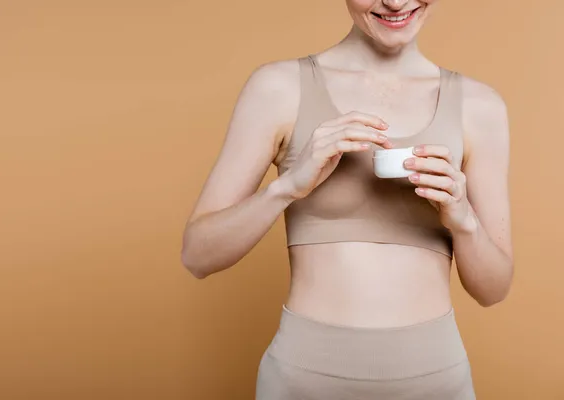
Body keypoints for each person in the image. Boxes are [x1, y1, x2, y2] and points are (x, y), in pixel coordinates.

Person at [181, 0, 513, 398]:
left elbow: (493, 290)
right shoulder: (278, 87)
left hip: (436, 381)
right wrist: (288, 187)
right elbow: (198, 256)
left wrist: (463, 220)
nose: (394, 1)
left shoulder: (480, 107)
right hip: (303, 379)